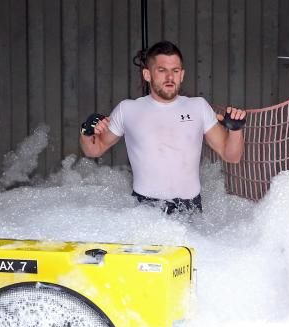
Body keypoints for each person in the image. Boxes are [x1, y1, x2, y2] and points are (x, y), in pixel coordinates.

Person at [79, 40, 246, 214]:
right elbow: (94, 150)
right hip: (146, 209)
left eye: (175, 71)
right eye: (162, 70)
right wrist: (86, 130)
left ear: (182, 75)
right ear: (147, 74)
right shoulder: (128, 109)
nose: (169, 77)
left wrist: (235, 129)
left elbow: (231, 156)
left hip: (191, 209)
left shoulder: (198, 107)